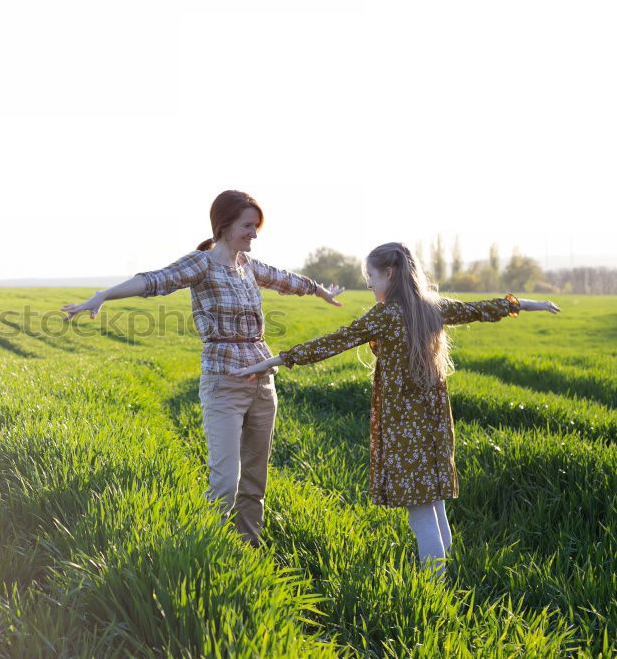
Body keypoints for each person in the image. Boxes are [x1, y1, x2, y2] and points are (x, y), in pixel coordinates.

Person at [229, 242, 560, 575]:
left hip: (404, 424)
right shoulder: (431, 307)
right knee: (434, 504)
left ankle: (434, 589)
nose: (369, 283)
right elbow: (481, 308)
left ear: (389, 273)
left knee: (420, 511)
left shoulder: (386, 314)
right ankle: (445, 579)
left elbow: (332, 341)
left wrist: (272, 361)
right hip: (434, 422)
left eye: (370, 276)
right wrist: (529, 304)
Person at [61, 190, 345, 546]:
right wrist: (103, 295)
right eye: (247, 226)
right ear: (224, 225)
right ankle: (201, 551)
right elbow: (154, 280)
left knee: (254, 481)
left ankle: (246, 549)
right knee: (225, 482)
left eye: (256, 226)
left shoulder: (249, 266)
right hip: (224, 384)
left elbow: (286, 279)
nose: (254, 234)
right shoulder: (202, 264)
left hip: (261, 383)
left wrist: (320, 291)